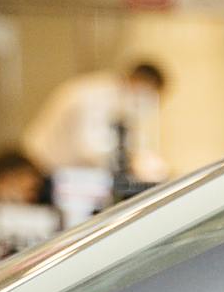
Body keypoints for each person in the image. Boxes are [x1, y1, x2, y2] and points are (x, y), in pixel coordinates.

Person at [22, 61, 168, 198]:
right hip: (42, 170)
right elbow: (89, 147)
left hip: (66, 175)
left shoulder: (115, 98)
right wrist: (134, 163)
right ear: (139, 82)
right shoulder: (95, 94)